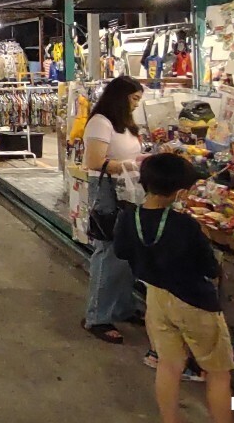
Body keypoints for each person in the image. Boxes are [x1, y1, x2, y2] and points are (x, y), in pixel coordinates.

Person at [114, 154, 234, 423]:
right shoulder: (187, 226)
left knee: (168, 366)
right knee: (218, 372)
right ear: (181, 192)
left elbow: (121, 251)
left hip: (156, 299)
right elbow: (210, 269)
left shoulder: (127, 217)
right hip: (196, 303)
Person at [80, 75, 145, 345]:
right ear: (120, 97)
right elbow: (94, 161)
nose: (137, 104)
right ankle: (96, 316)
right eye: (134, 98)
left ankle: (122, 308)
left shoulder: (125, 124)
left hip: (128, 192)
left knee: (126, 251)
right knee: (108, 252)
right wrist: (133, 165)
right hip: (107, 192)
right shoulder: (100, 122)